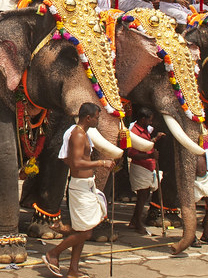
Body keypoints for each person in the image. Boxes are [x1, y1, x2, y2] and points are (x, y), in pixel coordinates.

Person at [42, 103, 115, 278]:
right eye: (97, 117)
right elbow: (75, 162)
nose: (98, 121)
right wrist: (101, 163)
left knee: (83, 228)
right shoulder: (78, 135)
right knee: (86, 232)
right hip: (80, 187)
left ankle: (73, 269)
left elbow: (68, 158)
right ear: (88, 118)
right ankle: (54, 253)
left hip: (86, 185)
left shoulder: (81, 134)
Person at [128, 107, 165, 235]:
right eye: (149, 120)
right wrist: (150, 156)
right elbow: (132, 153)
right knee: (142, 197)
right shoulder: (134, 132)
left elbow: (145, 145)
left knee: (144, 197)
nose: (150, 122)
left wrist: (155, 140)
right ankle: (138, 224)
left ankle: (134, 221)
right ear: (143, 119)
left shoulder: (144, 130)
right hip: (141, 167)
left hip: (148, 167)